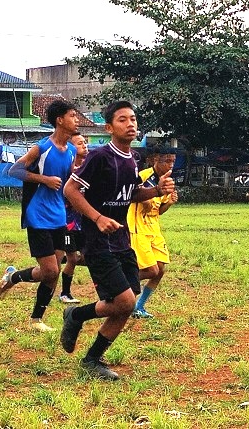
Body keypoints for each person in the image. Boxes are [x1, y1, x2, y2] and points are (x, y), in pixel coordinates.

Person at [61, 101, 175, 381]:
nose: (131, 124)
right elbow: (71, 190)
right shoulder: (100, 156)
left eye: (133, 119)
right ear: (109, 127)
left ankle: (91, 359)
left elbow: (131, 193)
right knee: (124, 302)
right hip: (97, 240)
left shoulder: (132, 159)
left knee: (127, 301)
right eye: (123, 120)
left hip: (122, 239)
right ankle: (76, 316)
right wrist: (98, 218)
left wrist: (156, 190)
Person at [0, 99, 78, 332]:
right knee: (51, 270)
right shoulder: (42, 148)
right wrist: (44, 180)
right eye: (72, 116)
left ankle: (35, 319)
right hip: (38, 214)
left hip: (59, 216)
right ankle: (13, 280)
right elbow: (14, 170)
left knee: (53, 272)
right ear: (60, 120)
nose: (76, 120)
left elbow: (70, 180)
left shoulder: (71, 150)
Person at [127, 145, 178, 319]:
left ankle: (139, 307)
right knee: (150, 270)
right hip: (138, 227)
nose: (171, 165)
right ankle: (122, 290)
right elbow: (132, 196)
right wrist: (146, 198)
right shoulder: (143, 176)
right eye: (167, 161)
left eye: (173, 161)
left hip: (153, 227)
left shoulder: (168, 180)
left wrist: (169, 203)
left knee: (160, 270)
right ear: (156, 159)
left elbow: (158, 210)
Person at [59, 133, 89, 304]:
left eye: (85, 142)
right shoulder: (65, 171)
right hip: (68, 222)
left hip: (85, 222)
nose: (84, 145)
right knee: (73, 258)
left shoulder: (89, 169)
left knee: (86, 257)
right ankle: (65, 293)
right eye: (80, 143)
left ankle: (58, 259)